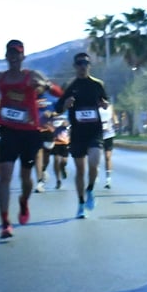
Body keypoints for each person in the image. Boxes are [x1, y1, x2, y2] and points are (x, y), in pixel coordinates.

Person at [0, 39, 62, 238]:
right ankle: (5, 222)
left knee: (25, 178)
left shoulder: (32, 76)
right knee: (4, 176)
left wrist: (45, 85)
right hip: (8, 131)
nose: (13, 57)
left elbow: (58, 92)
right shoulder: (1, 78)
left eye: (17, 54)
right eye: (10, 54)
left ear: (23, 57)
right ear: (6, 57)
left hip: (30, 133)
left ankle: (23, 201)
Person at [55, 53, 109, 219]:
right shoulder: (69, 85)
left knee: (94, 163)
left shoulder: (97, 84)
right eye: (79, 63)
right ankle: (80, 204)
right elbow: (58, 109)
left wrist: (104, 104)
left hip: (94, 131)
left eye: (85, 63)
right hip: (78, 133)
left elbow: (105, 102)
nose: (82, 66)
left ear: (89, 65)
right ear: (75, 66)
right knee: (80, 170)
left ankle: (90, 189)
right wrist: (65, 105)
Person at [99, 102, 119, 188]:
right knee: (96, 156)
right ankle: (95, 173)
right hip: (98, 135)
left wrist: (116, 123)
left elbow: (114, 116)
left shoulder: (110, 106)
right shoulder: (95, 106)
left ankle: (108, 179)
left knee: (107, 157)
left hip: (109, 134)